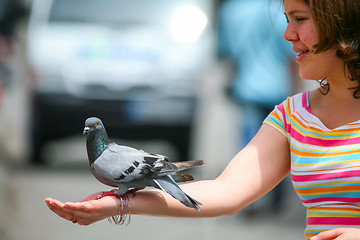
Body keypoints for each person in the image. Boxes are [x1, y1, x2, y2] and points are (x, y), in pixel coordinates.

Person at [45, 0, 360, 239]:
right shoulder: (294, 116)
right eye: (287, 19)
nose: (287, 34)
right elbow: (229, 189)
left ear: (343, 20)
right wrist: (118, 204)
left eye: (300, 19)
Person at [217, 0, 298, 214]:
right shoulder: (278, 10)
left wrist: (232, 80)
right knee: (279, 143)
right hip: (277, 86)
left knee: (249, 141)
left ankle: (247, 198)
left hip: (246, 86)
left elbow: (227, 53)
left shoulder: (230, 11)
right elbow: (290, 52)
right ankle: (275, 199)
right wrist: (296, 91)